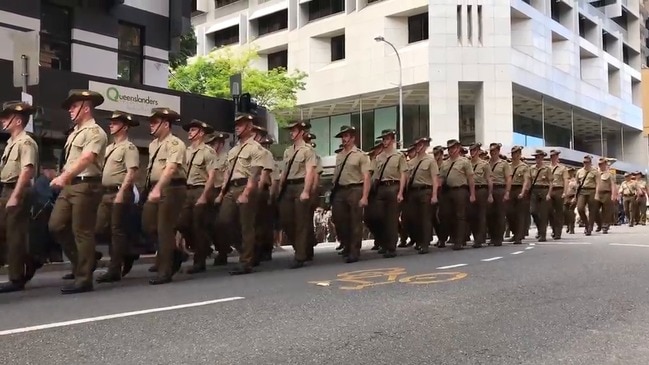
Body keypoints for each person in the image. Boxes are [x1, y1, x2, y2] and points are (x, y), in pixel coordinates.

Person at [49, 90, 108, 294]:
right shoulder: (74, 132)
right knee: (56, 225)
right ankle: (85, 262)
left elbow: (87, 158)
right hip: (70, 184)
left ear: (86, 107)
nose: (70, 110)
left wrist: (64, 177)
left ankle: (84, 278)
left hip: (86, 185)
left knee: (81, 231)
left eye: (74, 106)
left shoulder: (95, 132)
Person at [142, 107, 187, 285]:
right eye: (150, 122)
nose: (151, 126)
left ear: (166, 124)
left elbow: (170, 169)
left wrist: (158, 188)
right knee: (148, 225)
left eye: (154, 122)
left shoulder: (175, 144)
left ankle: (165, 271)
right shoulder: (153, 145)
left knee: (164, 229)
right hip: (155, 188)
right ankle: (175, 253)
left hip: (171, 188)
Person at [216, 113, 265, 275]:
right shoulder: (234, 150)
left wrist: (246, 193)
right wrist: (222, 192)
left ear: (249, 127)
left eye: (241, 124)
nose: (237, 127)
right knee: (223, 221)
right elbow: (227, 174)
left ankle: (246, 262)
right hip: (231, 188)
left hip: (246, 186)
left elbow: (255, 174)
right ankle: (247, 249)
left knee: (246, 225)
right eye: (236, 124)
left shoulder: (256, 148)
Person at [95, 111, 140, 283]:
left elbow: (132, 172)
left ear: (125, 127)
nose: (111, 125)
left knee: (116, 231)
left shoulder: (129, 148)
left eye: (115, 122)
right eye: (111, 122)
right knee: (98, 228)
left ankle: (114, 269)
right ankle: (127, 252)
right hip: (106, 193)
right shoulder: (109, 148)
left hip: (119, 192)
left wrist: (122, 193)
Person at [0, 101, 39, 293]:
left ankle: (16, 278)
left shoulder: (26, 142)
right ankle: (31, 260)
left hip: (18, 189)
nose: (2, 121)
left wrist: (15, 195)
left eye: (6, 118)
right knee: (5, 232)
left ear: (17, 121)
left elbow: (27, 170)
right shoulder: (11, 143)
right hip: (7, 189)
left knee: (14, 234)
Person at [176, 119, 215, 274]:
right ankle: (202, 248)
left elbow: (211, 176)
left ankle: (200, 261)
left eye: (193, 130)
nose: (190, 133)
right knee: (181, 223)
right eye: (190, 130)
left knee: (199, 226)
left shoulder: (208, 151)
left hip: (200, 190)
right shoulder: (186, 151)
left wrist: (205, 196)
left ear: (201, 133)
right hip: (186, 191)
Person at [277, 120, 316, 268]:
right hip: (288, 187)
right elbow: (284, 172)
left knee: (301, 222)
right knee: (286, 220)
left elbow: (310, 171)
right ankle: (301, 248)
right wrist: (280, 188)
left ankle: (300, 256)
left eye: (293, 131)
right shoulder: (288, 151)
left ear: (301, 132)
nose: (291, 133)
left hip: (300, 185)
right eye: (290, 131)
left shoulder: (307, 150)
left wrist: (306, 191)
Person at [330, 126, 370, 263]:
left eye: (346, 136)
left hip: (355, 189)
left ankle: (354, 251)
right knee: (339, 219)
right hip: (340, 190)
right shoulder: (340, 155)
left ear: (353, 138)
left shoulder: (361, 155)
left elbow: (366, 177)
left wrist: (365, 196)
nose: (344, 139)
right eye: (342, 136)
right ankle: (346, 245)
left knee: (355, 221)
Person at [367, 129, 408, 258]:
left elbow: (403, 175)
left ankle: (390, 247)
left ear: (393, 140)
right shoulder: (378, 157)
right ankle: (383, 242)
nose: (385, 141)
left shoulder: (399, 156)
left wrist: (401, 192)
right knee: (378, 217)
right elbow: (371, 174)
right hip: (380, 188)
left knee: (391, 219)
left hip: (393, 187)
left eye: (387, 139)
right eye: (383, 139)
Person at [439, 139, 475, 250]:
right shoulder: (445, 163)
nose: (451, 151)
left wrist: (472, 194)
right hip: (448, 192)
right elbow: (441, 179)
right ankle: (454, 237)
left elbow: (470, 178)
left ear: (458, 148)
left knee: (460, 216)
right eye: (449, 149)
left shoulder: (464, 162)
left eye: (453, 148)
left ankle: (459, 241)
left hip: (461, 190)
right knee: (448, 215)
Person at [404, 137, 438, 254]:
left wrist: (434, 195)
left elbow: (435, 179)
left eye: (420, 145)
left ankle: (425, 243)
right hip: (413, 192)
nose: (418, 147)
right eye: (416, 145)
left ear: (424, 146)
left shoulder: (430, 161)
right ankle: (418, 240)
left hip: (425, 191)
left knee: (425, 218)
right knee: (414, 218)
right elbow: (407, 178)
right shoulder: (411, 162)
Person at [574, 155, 600, 236]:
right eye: (584, 162)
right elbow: (577, 182)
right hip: (582, 191)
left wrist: (597, 194)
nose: (585, 164)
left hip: (592, 191)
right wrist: (576, 192)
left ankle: (589, 228)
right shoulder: (579, 172)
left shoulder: (595, 171)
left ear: (590, 163)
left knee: (592, 210)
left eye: (587, 162)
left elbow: (598, 183)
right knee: (580, 208)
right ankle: (586, 224)